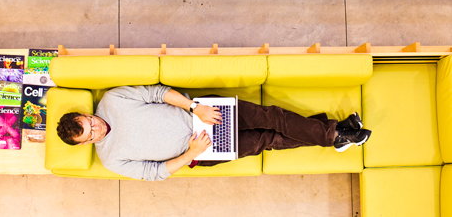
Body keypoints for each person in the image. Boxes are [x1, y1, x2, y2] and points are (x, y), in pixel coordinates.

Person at [56, 85, 371, 181]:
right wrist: (190, 154)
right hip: (200, 150)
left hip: (204, 113)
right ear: (86, 143)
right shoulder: (110, 159)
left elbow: (157, 93)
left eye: (91, 121)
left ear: (86, 113)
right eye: (91, 134)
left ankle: (335, 135)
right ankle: (337, 132)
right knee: (268, 139)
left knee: (270, 116)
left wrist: (195, 108)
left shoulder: (111, 100)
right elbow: (153, 173)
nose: (97, 127)